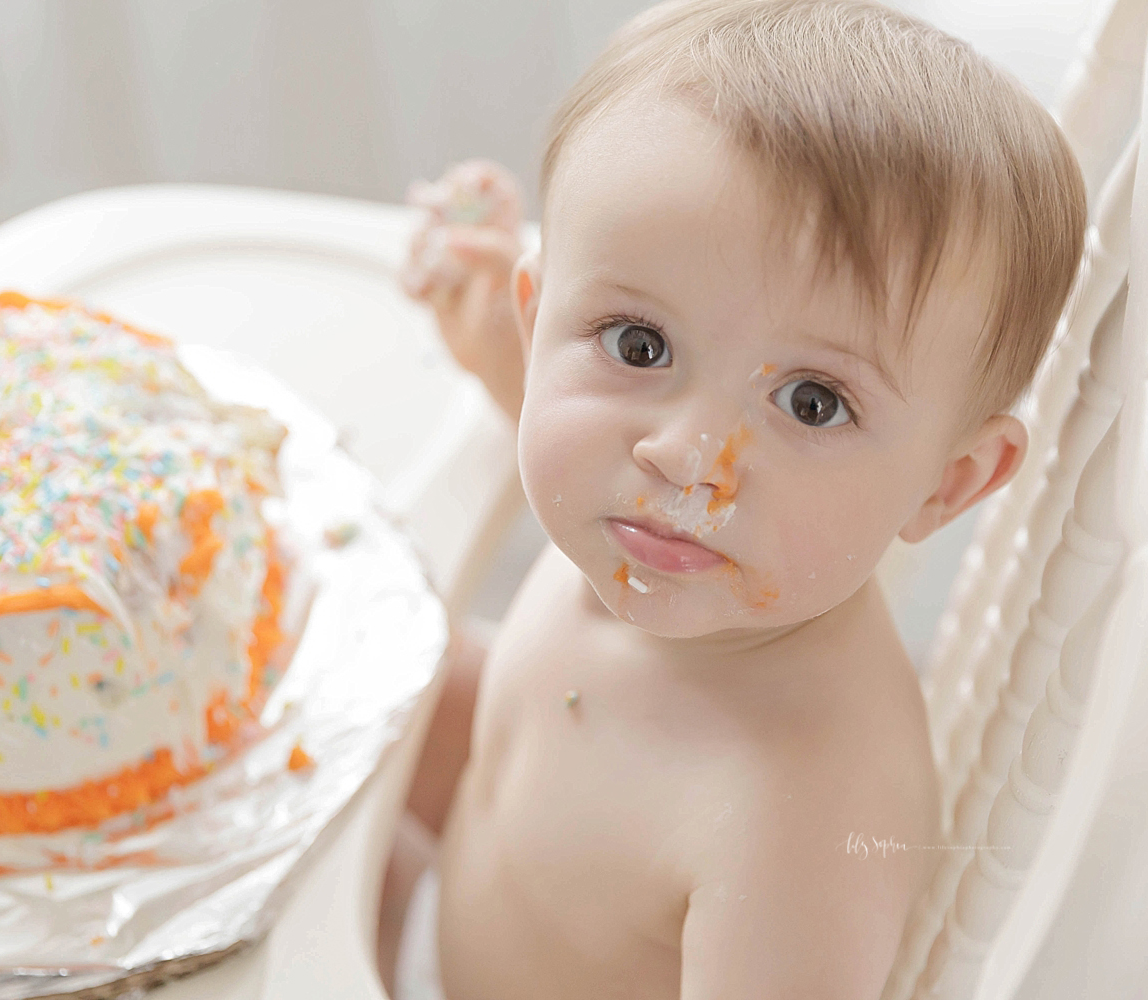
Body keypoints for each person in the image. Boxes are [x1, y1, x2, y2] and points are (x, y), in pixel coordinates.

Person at [384, 1, 1086, 996]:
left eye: (813, 402)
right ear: (538, 318)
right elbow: (566, 415)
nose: (684, 458)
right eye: (639, 344)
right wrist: (484, 319)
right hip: (446, 904)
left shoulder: (804, 816)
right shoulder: (670, 518)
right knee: (326, 645)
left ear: (948, 483)